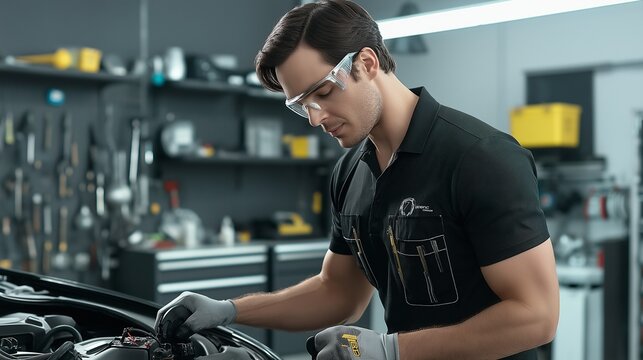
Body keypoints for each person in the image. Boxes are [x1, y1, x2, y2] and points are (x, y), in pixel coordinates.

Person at [155, 1, 560, 359]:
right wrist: (230, 310)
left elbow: (537, 316)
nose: (315, 118)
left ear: (366, 63)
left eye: (324, 92)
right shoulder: (350, 173)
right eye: (301, 106)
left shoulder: (480, 157)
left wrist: (392, 349)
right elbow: (338, 292)